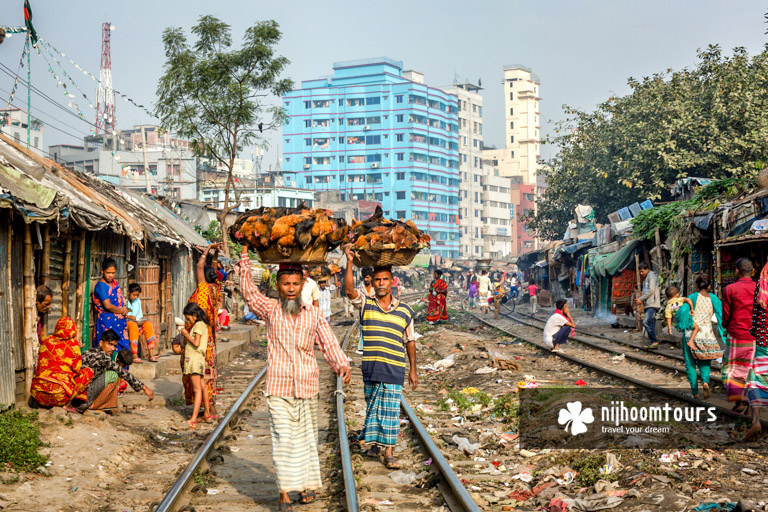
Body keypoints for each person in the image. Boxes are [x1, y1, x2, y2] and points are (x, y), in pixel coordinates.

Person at [239, 246, 351, 511]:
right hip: (278, 386)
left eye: (295, 284)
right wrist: (244, 257)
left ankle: (306, 485)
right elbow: (248, 292)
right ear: (278, 287)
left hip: (308, 385)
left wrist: (341, 364)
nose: (290, 288)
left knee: (306, 439)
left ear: (303, 286)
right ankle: (285, 493)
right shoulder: (269, 309)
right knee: (283, 438)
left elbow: (328, 342)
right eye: (286, 284)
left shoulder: (313, 314)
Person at [343, 244, 417, 470]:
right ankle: (375, 442)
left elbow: (410, 341)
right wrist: (348, 261)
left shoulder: (405, 311)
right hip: (371, 368)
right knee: (373, 407)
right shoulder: (366, 304)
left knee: (392, 412)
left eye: (385, 280)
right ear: (372, 284)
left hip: (395, 369)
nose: (381, 283)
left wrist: (413, 370)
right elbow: (348, 291)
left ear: (392, 282)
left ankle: (389, 451)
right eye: (377, 280)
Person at [74, 329, 154, 412]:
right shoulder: (100, 356)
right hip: (81, 399)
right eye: (110, 344)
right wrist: (144, 388)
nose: (112, 348)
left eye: (115, 346)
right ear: (101, 343)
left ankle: (104, 406)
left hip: (82, 393)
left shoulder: (92, 351)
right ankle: (93, 406)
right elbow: (123, 373)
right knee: (113, 374)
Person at [186, 243, 221, 417]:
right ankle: (209, 406)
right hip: (210, 339)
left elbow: (200, 266)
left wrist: (208, 249)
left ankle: (204, 407)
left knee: (198, 373)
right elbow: (210, 270)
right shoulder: (216, 289)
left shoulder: (203, 290)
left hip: (199, 337)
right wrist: (215, 256)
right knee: (209, 372)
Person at [676, 275, 724, 400]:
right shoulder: (714, 299)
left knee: (690, 364)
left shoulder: (691, 298)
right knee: (705, 362)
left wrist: (683, 323)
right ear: (709, 286)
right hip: (707, 336)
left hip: (690, 335)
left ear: (696, 286)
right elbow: (721, 315)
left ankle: (695, 393)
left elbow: (681, 314)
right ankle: (706, 382)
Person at [29, 317, 93, 408]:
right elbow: (77, 370)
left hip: (37, 393)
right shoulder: (74, 345)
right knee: (88, 372)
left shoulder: (47, 341)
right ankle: (68, 403)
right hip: (60, 397)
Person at [722, 258, 756, 412]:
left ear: (737, 271)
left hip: (736, 334)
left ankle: (739, 400)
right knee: (752, 368)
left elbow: (726, 314)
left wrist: (725, 326)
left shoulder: (730, 289)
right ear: (752, 271)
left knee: (732, 368)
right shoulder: (760, 288)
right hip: (756, 336)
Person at [745, 258, 768, 441]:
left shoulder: (762, 284)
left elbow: (756, 313)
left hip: (763, 342)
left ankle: (755, 422)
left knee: (756, 380)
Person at [180, 303, 212, 428]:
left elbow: (196, 343)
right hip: (198, 359)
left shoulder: (198, 325)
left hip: (195, 360)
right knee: (202, 387)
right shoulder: (202, 324)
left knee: (196, 389)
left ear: (194, 315)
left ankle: (193, 418)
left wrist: (186, 334)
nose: (188, 321)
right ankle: (207, 413)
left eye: (188, 318)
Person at [92, 258, 129, 352]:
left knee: (122, 353)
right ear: (102, 271)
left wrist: (123, 307)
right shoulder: (101, 286)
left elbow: (119, 300)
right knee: (109, 349)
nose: (110, 275)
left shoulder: (114, 283)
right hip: (107, 323)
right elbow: (107, 305)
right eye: (108, 272)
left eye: (113, 273)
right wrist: (122, 311)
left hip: (119, 323)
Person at [125, 283, 159, 363]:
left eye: (137, 295)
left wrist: (140, 320)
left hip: (136, 322)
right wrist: (129, 317)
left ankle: (151, 354)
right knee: (133, 326)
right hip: (126, 323)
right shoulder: (124, 301)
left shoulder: (138, 301)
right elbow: (120, 314)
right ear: (129, 293)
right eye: (134, 295)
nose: (135, 297)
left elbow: (139, 316)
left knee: (148, 325)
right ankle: (134, 354)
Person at [634, 262, 660, 349]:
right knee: (650, 322)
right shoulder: (646, 278)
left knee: (646, 321)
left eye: (642, 271)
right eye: (640, 272)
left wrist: (641, 299)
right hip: (648, 304)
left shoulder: (651, 276)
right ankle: (653, 342)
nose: (641, 274)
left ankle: (654, 341)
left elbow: (651, 290)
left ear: (647, 269)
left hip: (652, 303)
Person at [356, 267, 376, 354]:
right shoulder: (360, 286)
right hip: (363, 311)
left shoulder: (376, 286)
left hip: (375, 311)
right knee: (363, 328)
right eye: (364, 277)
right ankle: (363, 347)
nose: (366, 279)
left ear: (371, 277)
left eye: (367, 277)